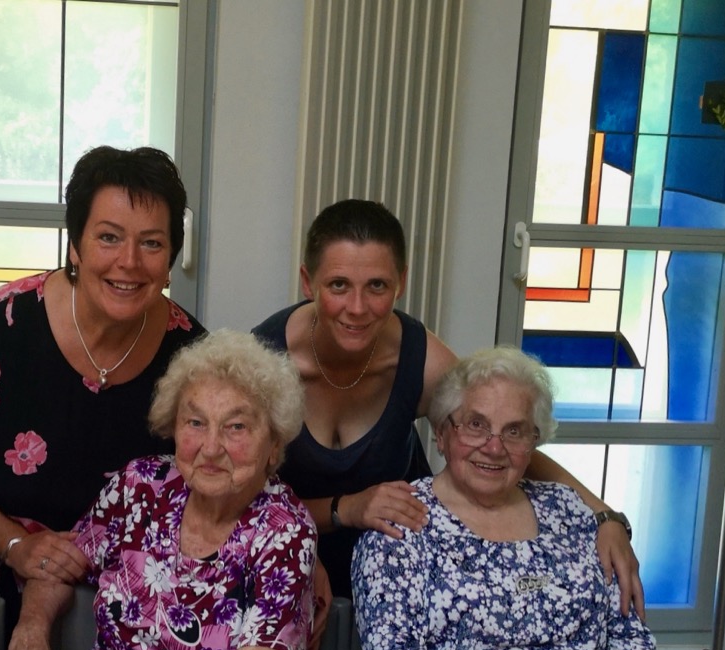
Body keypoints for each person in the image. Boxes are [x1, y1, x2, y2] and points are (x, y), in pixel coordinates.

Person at [253, 199, 642, 614]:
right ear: (308, 282)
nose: (358, 307)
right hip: (285, 567)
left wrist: (604, 516)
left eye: (377, 286)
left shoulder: (422, 360)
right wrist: (346, 508)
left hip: (406, 571)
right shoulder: (262, 363)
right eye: (338, 285)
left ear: (400, 283)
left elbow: (502, 440)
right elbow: (238, 504)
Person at [8, 330, 318, 650]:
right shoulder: (140, 487)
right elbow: (58, 564)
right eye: (196, 422)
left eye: (236, 427)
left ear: (273, 446)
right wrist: (31, 633)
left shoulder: (282, 531)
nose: (211, 447)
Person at [0, 145, 206, 650]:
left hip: (136, 608)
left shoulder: (191, 355)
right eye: (108, 237)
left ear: (170, 261)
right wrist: (14, 545)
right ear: (74, 245)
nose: (129, 262)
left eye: (151, 243)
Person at [339, 347, 658, 650]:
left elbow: (630, 631)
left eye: (514, 431)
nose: (494, 447)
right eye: (476, 425)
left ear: (533, 443)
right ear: (441, 433)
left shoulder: (574, 514)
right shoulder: (400, 520)